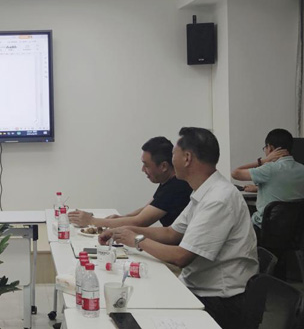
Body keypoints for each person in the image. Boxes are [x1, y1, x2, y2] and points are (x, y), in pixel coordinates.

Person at [99, 127, 258, 329]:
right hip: (198, 286)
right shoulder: (202, 192)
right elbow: (171, 233)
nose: (171, 160)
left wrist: (137, 240)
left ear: (187, 158)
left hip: (220, 301)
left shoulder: (219, 198)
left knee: (136, 308)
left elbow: (182, 256)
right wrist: (126, 231)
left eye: (174, 154)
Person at [69, 136, 191, 228]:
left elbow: (140, 221)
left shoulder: (176, 187)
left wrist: (92, 221)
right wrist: (122, 218)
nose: (143, 170)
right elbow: (148, 208)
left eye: (146, 165)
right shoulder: (168, 182)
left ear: (164, 166)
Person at [231, 128, 304, 233]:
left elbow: (235, 173)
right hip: (292, 230)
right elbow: (288, 189)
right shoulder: (301, 169)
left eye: (265, 148)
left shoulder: (269, 169)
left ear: (270, 148)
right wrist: (258, 188)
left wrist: (262, 161)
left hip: (263, 228)